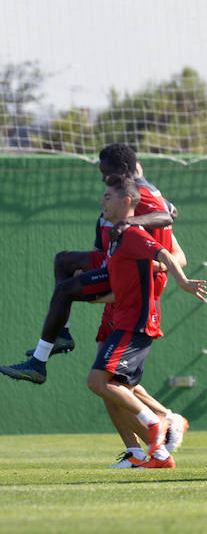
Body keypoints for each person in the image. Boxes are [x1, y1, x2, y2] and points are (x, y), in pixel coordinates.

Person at [0, 145, 172, 384]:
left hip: (132, 273)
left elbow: (166, 216)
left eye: (106, 172)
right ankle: (63, 334)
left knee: (65, 292)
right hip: (115, 261)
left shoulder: (140, 193)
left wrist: (129, 223)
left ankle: (38, 363)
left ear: (123, 169)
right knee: (63, 260)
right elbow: (170, 210)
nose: (102, 178)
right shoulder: (135, 193)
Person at [86, 174, 206, 469]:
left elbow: (165, 253)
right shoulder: (114, 237)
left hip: (135, 323)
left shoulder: (132, 234)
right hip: (123, 319)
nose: (102, 201)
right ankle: (159, 456)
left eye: (108, 196)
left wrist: (182, 282)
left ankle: (157, 423)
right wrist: (89, 296)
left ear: (126, 201)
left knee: (98, 381)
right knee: (114, 388)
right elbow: (123, 285)